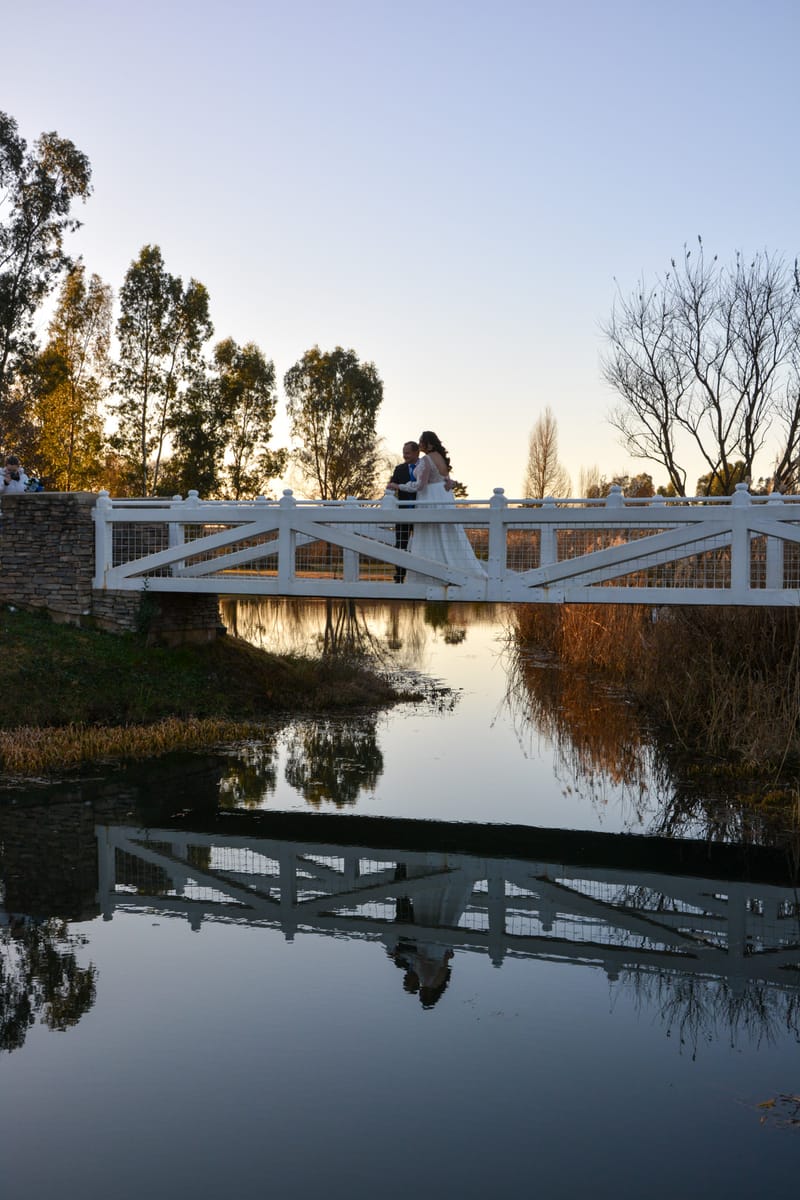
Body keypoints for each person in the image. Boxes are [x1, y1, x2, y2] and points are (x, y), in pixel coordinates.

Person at [386, 431, 486, 581]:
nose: (420, 445)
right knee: (443, 533)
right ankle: (448, 571)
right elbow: (448, 482)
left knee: (429, 534)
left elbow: (420, 485)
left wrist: (399, 486)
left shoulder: (426, 459)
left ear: (429, 444)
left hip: (429, 498)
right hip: (443, 497)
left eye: (421, 442)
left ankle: (429, 575)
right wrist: (450, 484)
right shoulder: (441, 458)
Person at [387, 441, 420, 582]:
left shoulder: (425, 467)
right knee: (400, 544)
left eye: (407, 453)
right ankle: (399, 576)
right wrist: (389, 491)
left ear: (416, 452)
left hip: (422, 513)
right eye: (404, 452)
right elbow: (391, 486)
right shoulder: (399, 469)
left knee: (423, 544)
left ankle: (422, 575)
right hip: (403, 513)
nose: (404, 455)